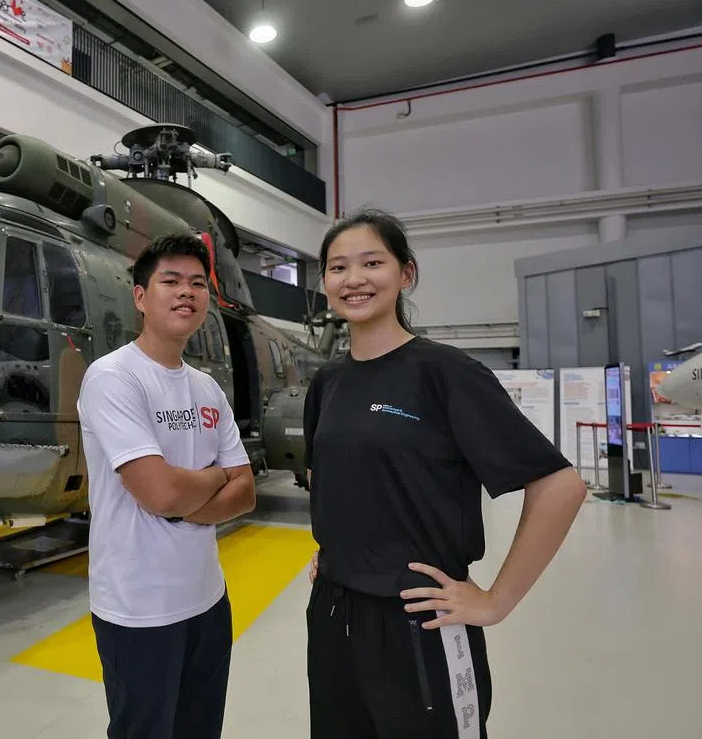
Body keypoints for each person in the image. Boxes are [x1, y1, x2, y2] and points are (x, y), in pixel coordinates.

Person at [301, 208, 587, 738]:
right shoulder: (328, 384)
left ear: (405, 274)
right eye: (338, 268)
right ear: (325, 283)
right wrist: (340, 544)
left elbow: (560, 486)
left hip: (420, 618)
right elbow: (328, 471)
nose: (354, 279)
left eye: (372, 262)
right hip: (334, 612)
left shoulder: (446, 373)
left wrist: (497, 600)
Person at [77, 233, 256, 739]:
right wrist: (215, 477)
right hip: (137, 609)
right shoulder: (113, 378)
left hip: (207, 601)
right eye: (171, 281)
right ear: (140, 297)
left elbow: (245, 492)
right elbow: (161, 493)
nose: (186, 292)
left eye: (197, 283)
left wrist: (187, 497)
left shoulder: (207, 388)